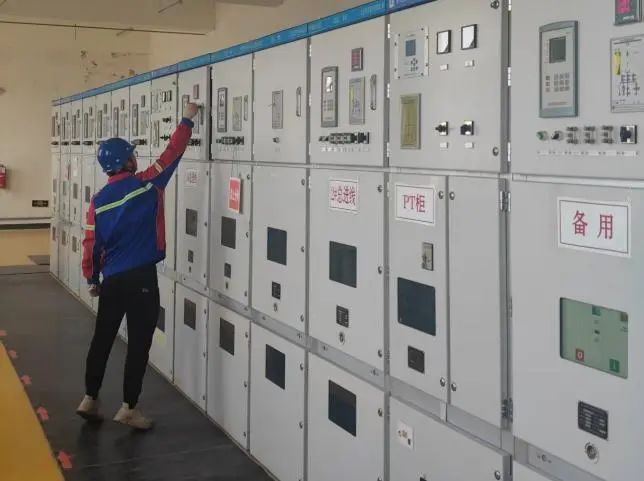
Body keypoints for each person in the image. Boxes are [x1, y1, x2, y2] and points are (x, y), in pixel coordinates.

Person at [76, 102, 200, 430]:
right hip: (142, 279)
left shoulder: (98, 201)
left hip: (112, 280)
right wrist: (187, 118)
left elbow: (91, 243)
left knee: (102, 339)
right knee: (139, 344)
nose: (135, 157)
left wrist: (92, 277)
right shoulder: (148, 184)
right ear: (127, 161)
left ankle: (89, 397)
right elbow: (172, 153)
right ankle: (129, 407)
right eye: (132, 154)